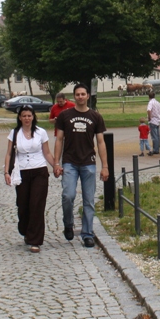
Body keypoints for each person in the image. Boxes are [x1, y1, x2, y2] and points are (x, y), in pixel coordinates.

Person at [53, 84, 108, 248]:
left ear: (88, 96)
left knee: (89, 200)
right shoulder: (64, 116)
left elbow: (100, 142)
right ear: (74, 96)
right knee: (68, 196)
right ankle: (68, 223)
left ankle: (87, 233)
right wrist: (56, 163)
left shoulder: (95, 117)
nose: (80, 97)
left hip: (88, 163)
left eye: (83, 94)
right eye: (77, 94)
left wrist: (105, 166)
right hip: (69, 162)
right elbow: (59, 140)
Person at [3, 104, 56, 254]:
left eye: (29, 116)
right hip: (22, 173)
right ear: (20, 118)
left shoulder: (41, 132)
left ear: (33, 117)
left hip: (39, 171)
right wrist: (6, 172)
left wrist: (56, 166)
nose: (27, 118)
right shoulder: (14, 133)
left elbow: (47, 153)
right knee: (23, 205)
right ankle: (26, 230)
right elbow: (9, 153)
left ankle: (35, 240)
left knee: (36, 204)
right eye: (24, 116)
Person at [146, 92, 160, 156]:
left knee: (154, 136)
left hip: (153, 121)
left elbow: (149, 110)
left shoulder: (150, 102)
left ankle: (155, 149)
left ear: (149, 97)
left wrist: (149, 117)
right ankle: (157, 148)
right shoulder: (157, 102)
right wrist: (159, 115)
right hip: (158, 120)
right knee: (157, 136)